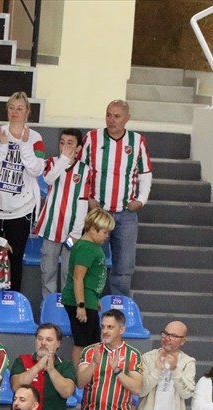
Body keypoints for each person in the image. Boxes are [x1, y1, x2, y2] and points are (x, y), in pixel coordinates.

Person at [79, 100, 153, 296]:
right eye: (108, 115)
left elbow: (145, 173)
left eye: (117, 116)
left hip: (125, 214)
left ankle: (117, 309)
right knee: (93, 262)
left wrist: (141, 200)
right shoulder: (92, 138)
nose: (111, 120)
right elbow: (80, 170)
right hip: (98, 213)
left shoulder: (137, 141)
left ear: (127, 118)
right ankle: (91, 303)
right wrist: (87, 197)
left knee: (124, 266)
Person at [0, 92, 46, 295]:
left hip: (20, 210)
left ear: (28, 112)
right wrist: (3, 147)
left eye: (20, 108)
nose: (15, 112)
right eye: (11, 107)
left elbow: (36, 169)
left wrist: (23, 146)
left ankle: (13, 300)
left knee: (15, 259)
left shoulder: (35, 138)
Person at [34, 128, 88, 296]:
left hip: (72, 232)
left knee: (68, 273)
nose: (65, 146)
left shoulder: (85, 170)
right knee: (48, 272)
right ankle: (48, 309)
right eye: (62, 142)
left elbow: (83, 202)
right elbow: (49, 179)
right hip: (50, 229)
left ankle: (65, 311)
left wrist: (77, 232)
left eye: (70, 143)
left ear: (79, 148)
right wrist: (64, 159)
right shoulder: (52, 162)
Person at [63, 207, 115, 361]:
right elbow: (78, 278)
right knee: (82, 342)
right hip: (80, 301)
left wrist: (93, 297)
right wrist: (81, 305)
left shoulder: (92, 247)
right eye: (104, 232)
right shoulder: (85, 248)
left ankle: (87, 375)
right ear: (93, 229)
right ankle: (78, 379)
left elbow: (89, 278)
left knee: (92, 342)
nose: (106, 236)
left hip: (88, 299)